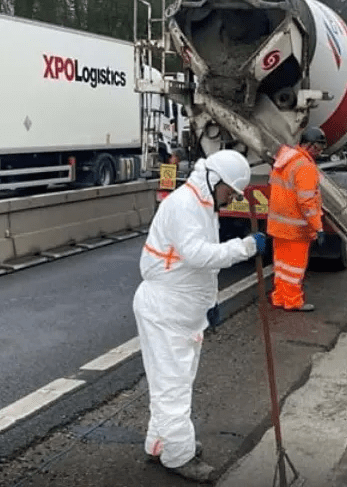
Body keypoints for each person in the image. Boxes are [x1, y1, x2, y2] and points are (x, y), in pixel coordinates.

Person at [132, 149, 267, 482]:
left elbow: (198, 268)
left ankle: (160, 442)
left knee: (170, 382)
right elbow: (197, 255)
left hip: (179, 307)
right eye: (229, 191)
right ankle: (179, 455)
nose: (229, 198)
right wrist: (246, 247)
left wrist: (210, 301)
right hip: (167, 309)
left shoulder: (202, 202)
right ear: (215, 179)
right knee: (174, 386)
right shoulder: (186, 205)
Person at [267, 126, 326, 312]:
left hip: (278, 226)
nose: (320, 152)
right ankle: (292, 301)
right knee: (294, 269)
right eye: (319, 147)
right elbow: (307, 202)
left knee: (282, 267)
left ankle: (280, 297)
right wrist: (318, 227)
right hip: (296, 229)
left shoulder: (284, 161)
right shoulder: (305, 167)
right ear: (311, 146)